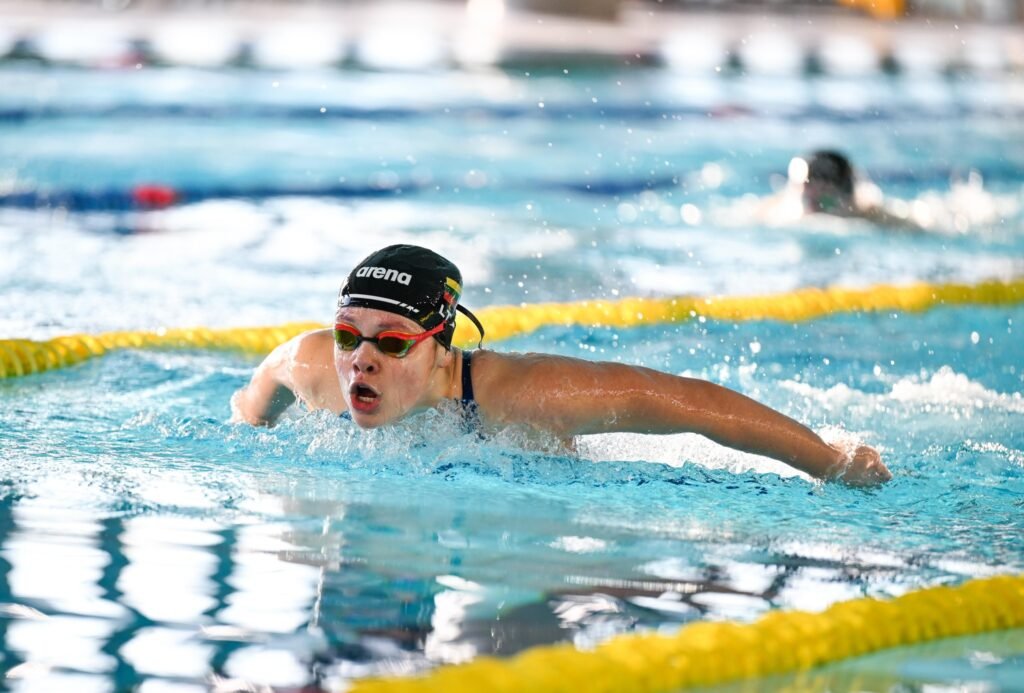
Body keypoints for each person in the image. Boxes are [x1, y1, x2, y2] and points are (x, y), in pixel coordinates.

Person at [230, 244, 892, 487]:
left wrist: (829, 461)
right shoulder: (314, 366)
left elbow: (691, 402)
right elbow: (254, 401)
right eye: (349, 336)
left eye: (392, 343)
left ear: (440, 343)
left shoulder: (523, 395)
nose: (361, 362)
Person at [758, 149, 923, 231]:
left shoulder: (873, 216)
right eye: (808, 199)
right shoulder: (777, 213)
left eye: (825, 202)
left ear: (848, 198)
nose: (815, 210)